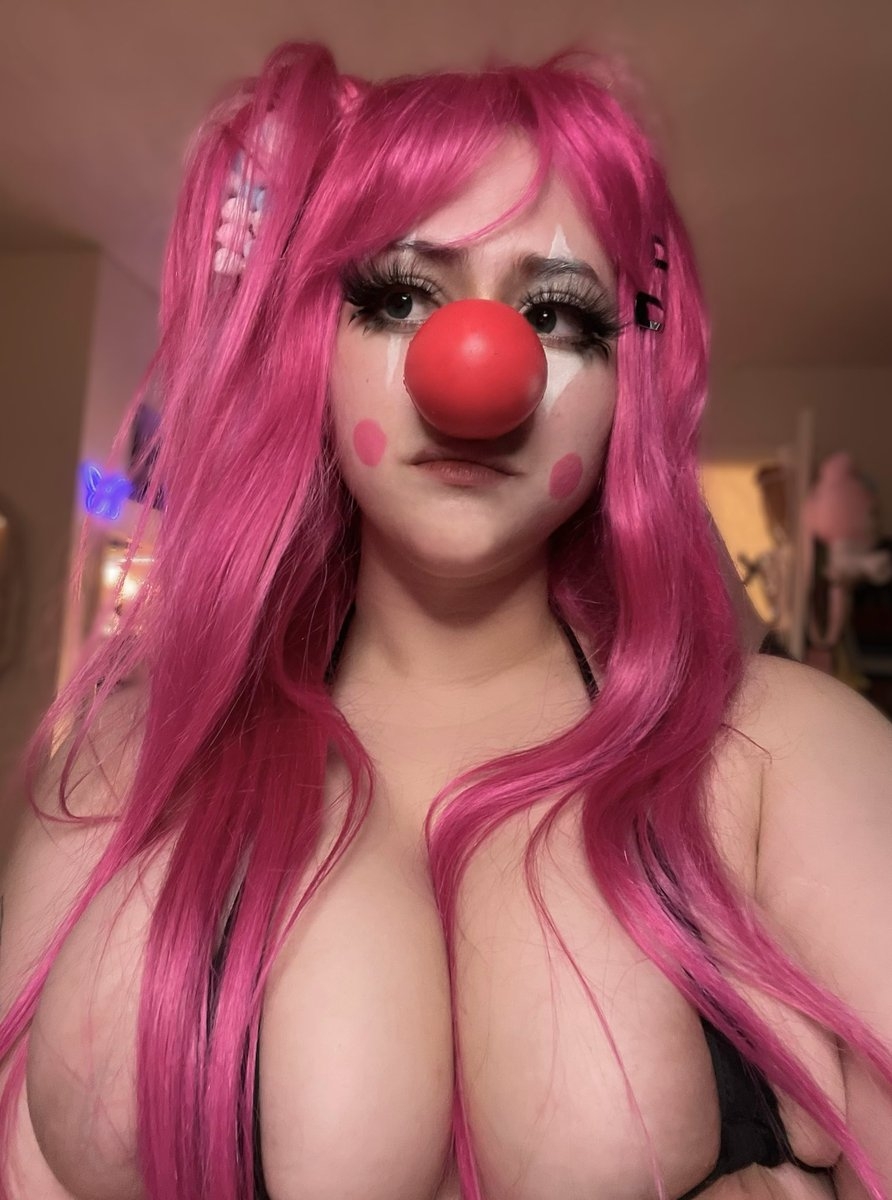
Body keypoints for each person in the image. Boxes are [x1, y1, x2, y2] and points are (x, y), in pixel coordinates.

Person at [1, 38, 891, 1200]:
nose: (476, 366)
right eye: (399, 297)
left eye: (556, 313)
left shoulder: (781, 753)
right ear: (311, 350)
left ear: (627, 381)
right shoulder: (131, 763)